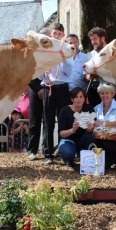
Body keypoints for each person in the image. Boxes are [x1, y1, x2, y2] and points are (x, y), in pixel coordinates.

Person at [41, 23, 73, 164]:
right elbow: (38, 70)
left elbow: (69, 72)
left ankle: (62, 151)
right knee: (48, 122)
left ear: (63, 35)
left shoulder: (67, 49)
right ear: (51, 34)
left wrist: (64, 58)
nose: (57, 36)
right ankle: (48, 153)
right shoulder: (45, 50)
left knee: (63, 121)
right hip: (49, 88)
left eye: (60, 34)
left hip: (63, 88)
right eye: (55, 33)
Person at [93, 83, 116, 172]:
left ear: (113, 94)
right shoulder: (96, 108)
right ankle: (110, 160)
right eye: (102, 93)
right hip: (101, 139)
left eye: (107, 93)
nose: (104, 95)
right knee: (105, 165)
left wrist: (103, 123)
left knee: (108, 144)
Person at [57, 87, 96, 169]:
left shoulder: (89, 108)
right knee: (68, 152)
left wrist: (90, 128)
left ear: (84, 98)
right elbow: (61, 134)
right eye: (76, 97)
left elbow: (92, 128)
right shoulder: (64, 111)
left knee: (91, 137)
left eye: (81, 97)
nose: (78, 99)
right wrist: (73, 129)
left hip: (83, 139)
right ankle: (68, 159)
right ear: (72, 99)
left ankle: (87, 160)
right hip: (68, 139)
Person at [26, 28, 50, 161]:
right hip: (36, 89)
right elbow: (28, 73)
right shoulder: (32, 53)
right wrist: (37, 89)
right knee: (34, 120)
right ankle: (32, 150)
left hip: (49, 88)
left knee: (47, 121)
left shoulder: (52, 53)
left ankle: (46, 150)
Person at [85, 27, 116, 106]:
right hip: (95, 91)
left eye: (94, 39)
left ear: (103, 38)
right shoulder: (90, 56)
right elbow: (85, 76)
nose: (93, 42)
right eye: (91, 39)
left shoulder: (113, 52)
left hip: (112, 90)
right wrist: (89, 76)